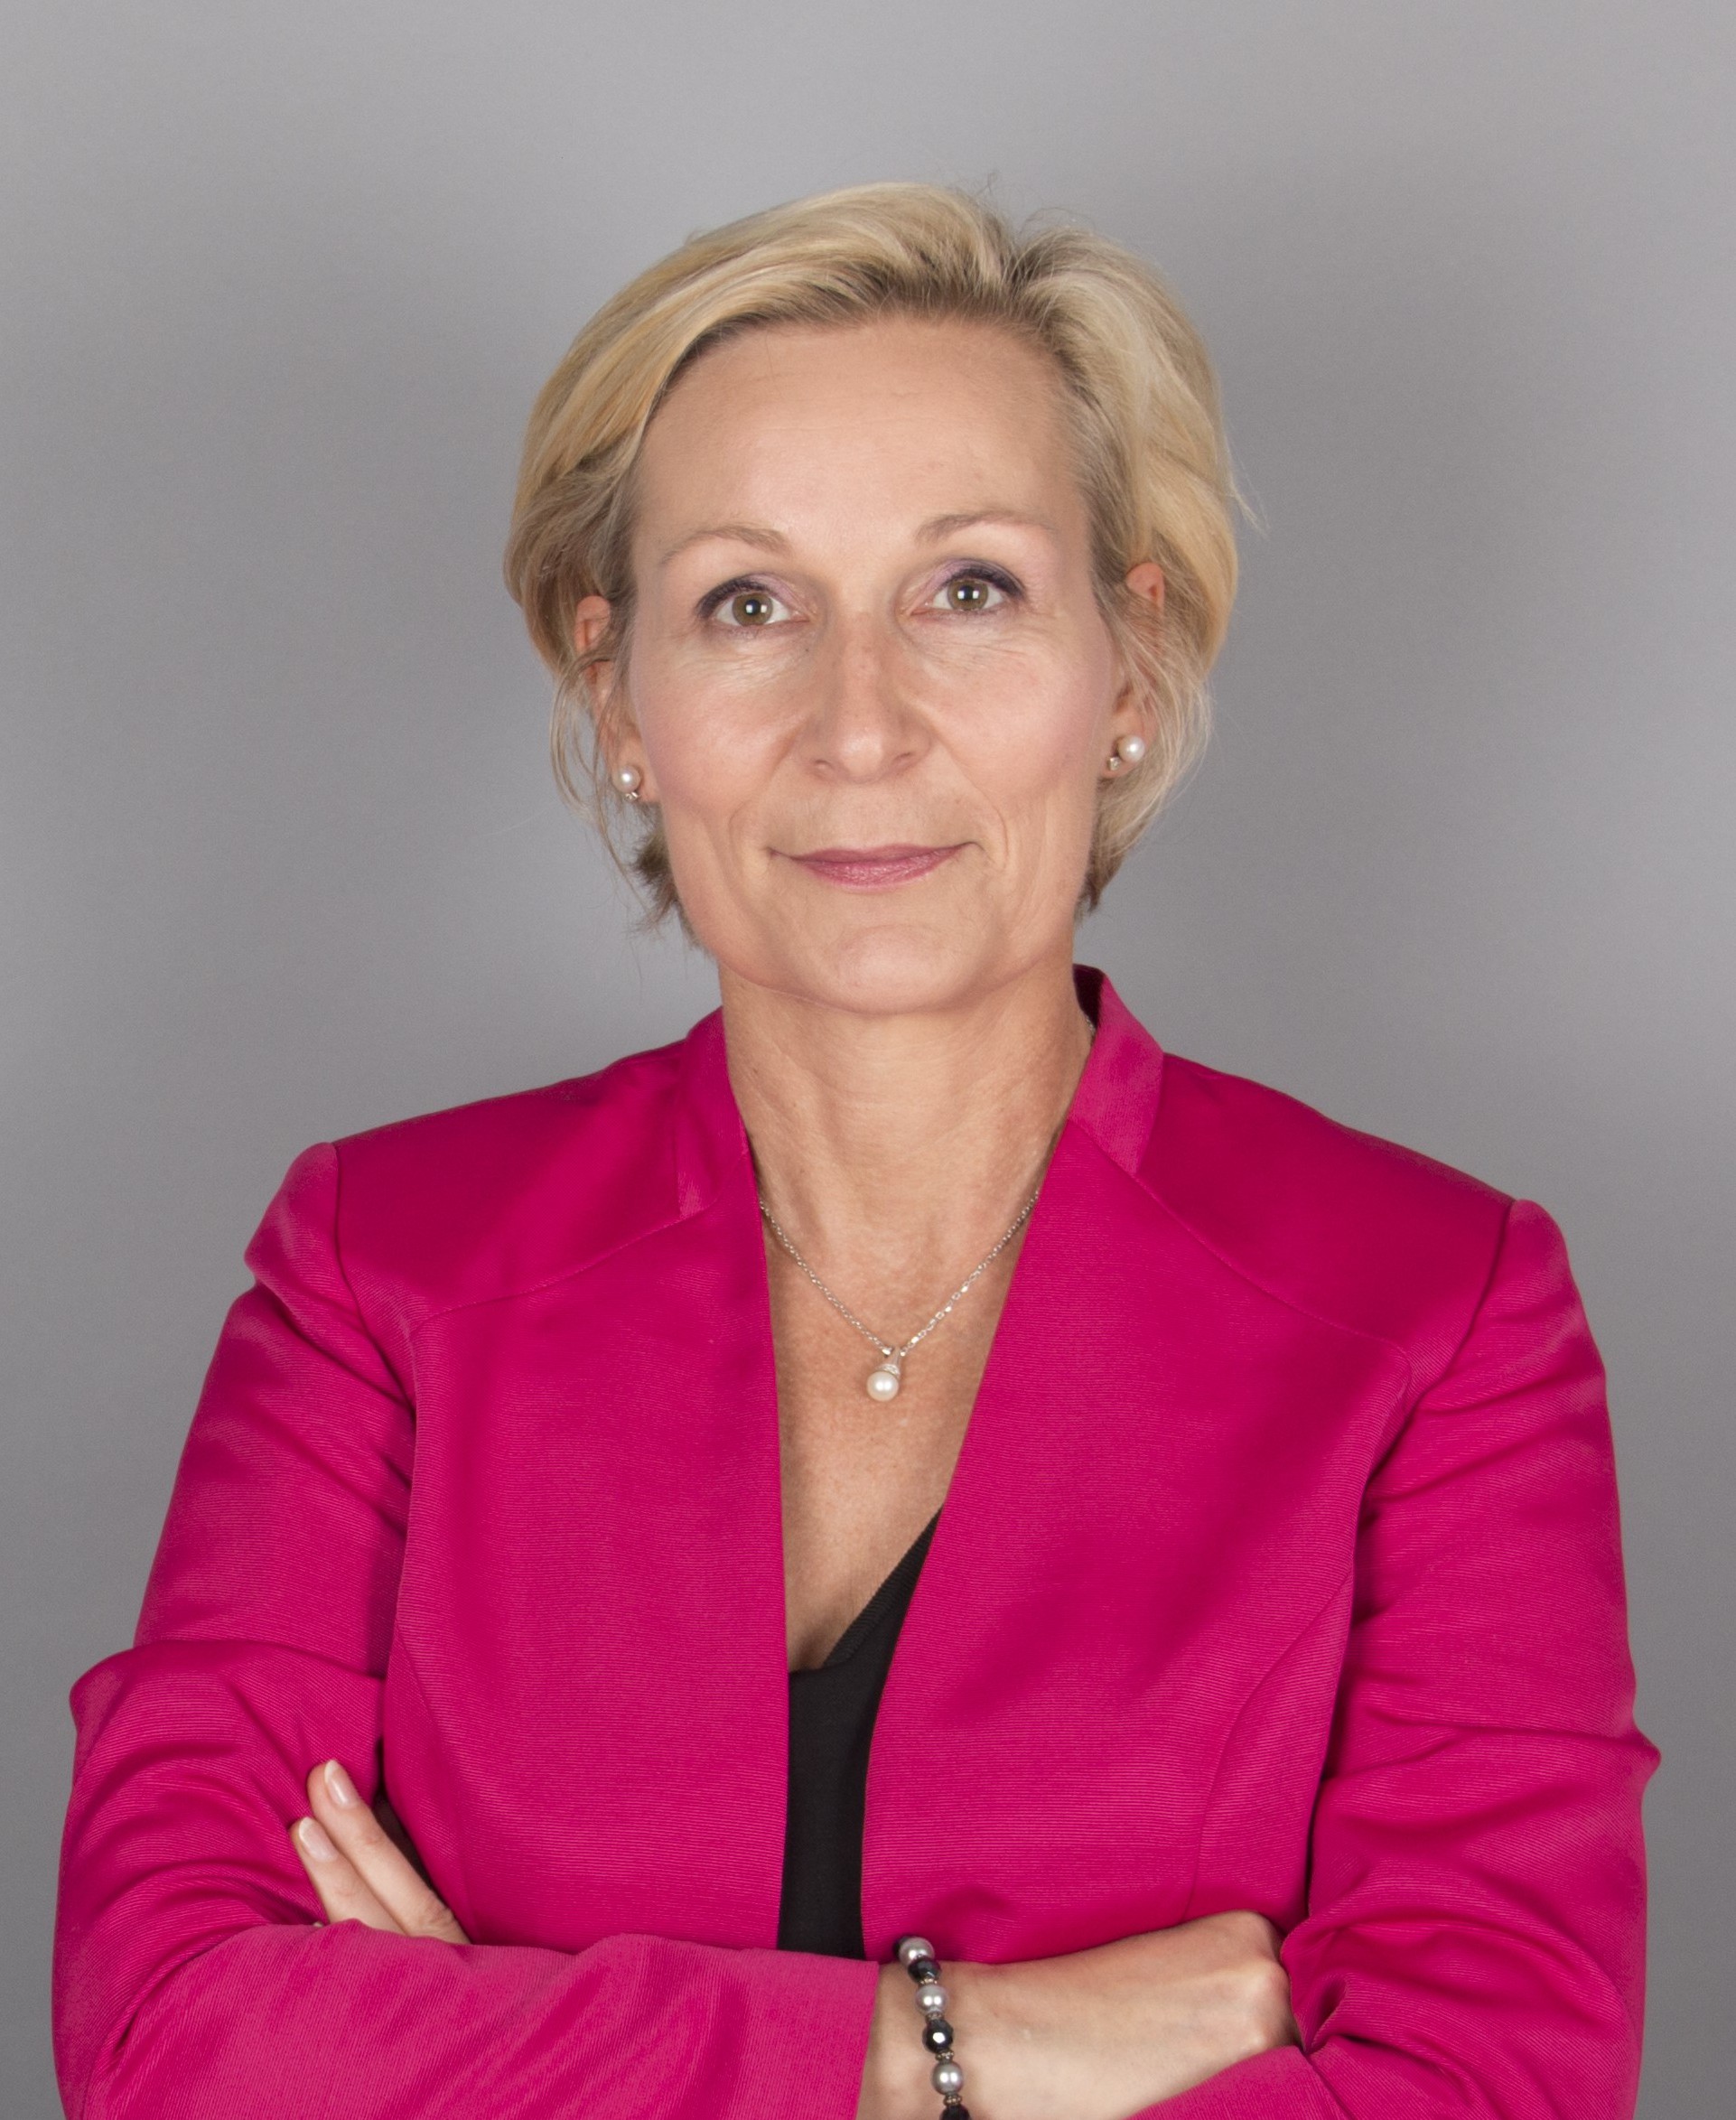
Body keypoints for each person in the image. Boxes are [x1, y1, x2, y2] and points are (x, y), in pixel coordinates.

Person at [52, 183, 1656, 2120]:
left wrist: (473, 2039)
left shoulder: (1438, 1312)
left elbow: (1484, 2089)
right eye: (750, 604)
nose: (860, 724)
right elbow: (171, 2037)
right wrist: (951, 2050)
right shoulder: (378, 1268)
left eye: (967, 588)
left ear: (1127, 662)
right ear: (616, 693)